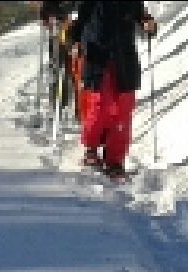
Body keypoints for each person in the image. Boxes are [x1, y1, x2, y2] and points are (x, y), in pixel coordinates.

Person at [66, 1, 156, 180]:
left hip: (124, 58)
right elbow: (79, 20)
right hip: (96, 55)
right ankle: (91, 150)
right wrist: (73, 41)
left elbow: (141, 15)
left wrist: (148, 24)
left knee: (123, 110)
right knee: (99, 105)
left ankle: (115, 160)